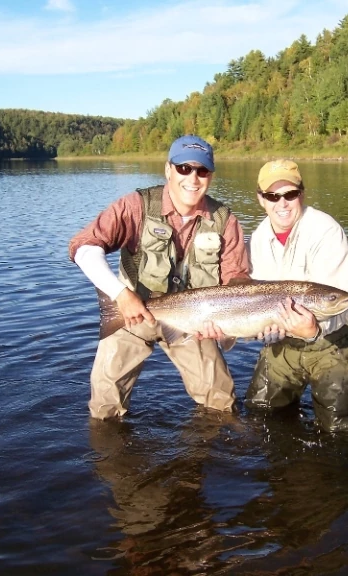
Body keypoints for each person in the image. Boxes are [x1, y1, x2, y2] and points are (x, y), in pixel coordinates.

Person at [68, 135, 250, 420]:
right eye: (184, 169)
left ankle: (212, 456)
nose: (193, 178)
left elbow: (237, 284)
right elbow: (83, 248)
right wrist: (119, 294)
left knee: (221, 402)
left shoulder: (225, 221)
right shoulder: (137, 206)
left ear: (210, 176)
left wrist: (225, 325)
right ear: (168, 170)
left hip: (194, 321)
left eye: (202, 171)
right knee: (105, 407)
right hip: (132, 313)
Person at [245, 159, 348, 433]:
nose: (282, 203)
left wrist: (313, 330)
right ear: (261, 199)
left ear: (302, 194)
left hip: (336, 341)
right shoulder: (259, 237)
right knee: (259, 412)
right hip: (286, 342)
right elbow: (261, 302)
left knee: (336, 432)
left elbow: (340, 302)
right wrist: (266, 331)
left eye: (290, 194)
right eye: (272, 196)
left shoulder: (326, 231)